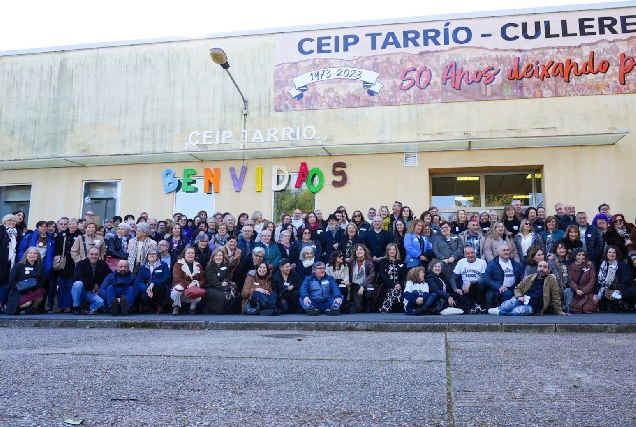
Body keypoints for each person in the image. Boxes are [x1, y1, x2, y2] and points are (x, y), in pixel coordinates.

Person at [488, 261, 568, 316]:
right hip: (523, 300)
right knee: (508, 305)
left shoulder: (551, 280)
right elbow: (517, 288)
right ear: (537, 268)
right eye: (540, 266)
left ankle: (500, 313)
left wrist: (559, 311)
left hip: (534, 307)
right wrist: (519, 296)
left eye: (545, 267)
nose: (542, 269)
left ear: (548, 269)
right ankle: (499, 309)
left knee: (517, 311)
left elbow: (556, 296)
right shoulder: (530, 277)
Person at [5, 247, 47, 315]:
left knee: (41, 291)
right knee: (27, 303)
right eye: (30, 253)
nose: (32, 255)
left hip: (32, 290)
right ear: (26, 254)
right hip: (18, 291)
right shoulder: (18, 266)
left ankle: (32, 308)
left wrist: (32, 289)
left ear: (38, 255)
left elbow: (42, 280)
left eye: (35, 253)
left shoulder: (40, 266)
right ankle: (16, 308)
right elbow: (12, 281)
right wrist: (22, 289)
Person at [483, 244, 524, 309]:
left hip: (514, 287)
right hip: (500, 288)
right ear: (498, 252)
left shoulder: (514, 263)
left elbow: (521, 275)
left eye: (507, 250)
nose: (506, 252)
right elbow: (486, 279)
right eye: (504, 250)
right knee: (508, 294)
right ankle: (503, 309)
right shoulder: (492, 264)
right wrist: (498, 286)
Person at [71, 247, 110, 315]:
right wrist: (93, 285)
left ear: (99, 255)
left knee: (101, 302)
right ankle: (76, 307)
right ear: (88, 255)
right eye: (92, 254)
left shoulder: (103, 265)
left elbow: (109, 277)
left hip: (93, 293)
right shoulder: (81, 264)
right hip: (82, 291)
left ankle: (89, 309)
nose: (94, 256)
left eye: (96, 254)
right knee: (77, 284)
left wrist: (99, 288)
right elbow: (77, 277)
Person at [596, 246, 634, 312]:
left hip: (624, 287)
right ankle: (614, 305)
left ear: (617, 254)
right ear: (606, 253)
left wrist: (618, 289)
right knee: (604, 292)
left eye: (614, 253)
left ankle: (628, 305)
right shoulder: (603, 264)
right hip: (609, 288)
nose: (611, 254)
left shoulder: (622, 264)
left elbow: (627, 278)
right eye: (609, 252)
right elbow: (599, 281)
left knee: (627, 294)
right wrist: (595, 293)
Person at [171, 247, 205, 315]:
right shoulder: (178, 264)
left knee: (199, 294)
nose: (190, 255)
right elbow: (177, 278)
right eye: (188, 253)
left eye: (192, 253)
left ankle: (192, 308)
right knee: (178, 288)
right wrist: (189, 284)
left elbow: (202, 280)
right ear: (184, 254)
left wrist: (195, 283)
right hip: (181, 290)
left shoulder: (198, 265)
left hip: (192, 290)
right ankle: (176, 306)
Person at [452, 246, 488, 312]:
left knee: (482, 285)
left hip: (477, 288)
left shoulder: (482, 262)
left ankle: (477, 304)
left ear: (475, 253)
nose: (471, 255)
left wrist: (470, 283)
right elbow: (453, 278)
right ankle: (472, 308)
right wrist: (455, 289)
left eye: (472, 253)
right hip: (465, 290)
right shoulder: (461, 262)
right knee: (455, 294)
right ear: (464, 255)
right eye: (468, 253)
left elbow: (484, 278)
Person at [135, 248, 170, 314]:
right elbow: (138, 281)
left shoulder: (163, 265)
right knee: (144, 298)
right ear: (147, 256)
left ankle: (160, 306)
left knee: (160, 286)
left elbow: (167, 277)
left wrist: (153, 283)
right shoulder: (143, 267)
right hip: (148, 287)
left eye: (154, 254)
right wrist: (147, 289)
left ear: (157, 255)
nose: (151, 255)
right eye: (150, 254)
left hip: (159, 287)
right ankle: (152, 307)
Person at [203, 248, 237, 314]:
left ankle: (230, 309)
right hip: (211, 287)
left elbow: (228, 277)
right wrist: (226, 288)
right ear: (213, 257)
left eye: (220, 255)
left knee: (234, 287)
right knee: (223, 295)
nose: (218, 257)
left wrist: (226, 281)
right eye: (216, 255)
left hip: (223, 285)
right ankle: (217, 310)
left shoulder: (225, 266)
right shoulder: (209, 267)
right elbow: (213, 282)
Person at [564, 248, 597, 314]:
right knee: (573, 307)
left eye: (583, 255)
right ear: (574, 257)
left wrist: (583, 291)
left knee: (588, 308)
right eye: (579, 255)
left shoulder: (590, 266)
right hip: (577, 292)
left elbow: (592, 281)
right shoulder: (571, 267)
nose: (581, 257)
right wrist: (576, 290)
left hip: (587, 291)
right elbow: (571, 280)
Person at [378, 243, 406, 313]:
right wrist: (393, 285)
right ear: (387, 251)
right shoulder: (383, 262)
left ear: (396, 251)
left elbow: (404, 276)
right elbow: (382, 275)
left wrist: (400, 285)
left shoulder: (401, 262)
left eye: (394, 249)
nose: (392, 251)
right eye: (390, 249)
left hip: (399, 286)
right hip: (387, 286)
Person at [0, 214, 19, 313]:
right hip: (2, 262)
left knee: (6, 284)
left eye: (13, 221)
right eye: (9, 220)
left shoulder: (15, 233)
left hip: (10, 262)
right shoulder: (1, 231)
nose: (12, 222)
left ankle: (1, 303)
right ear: (5, 221)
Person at [349, 243, 375, 313]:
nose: (359, 251)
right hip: (355, 285)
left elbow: (372, 275)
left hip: (366, 284)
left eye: (361, 249)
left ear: (364, 251)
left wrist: (363, 286)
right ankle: (361, 301)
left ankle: (369, 303)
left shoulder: (369, 263)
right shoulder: (352, 262)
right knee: (358, 309)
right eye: (357, 250)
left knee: (370, 287)